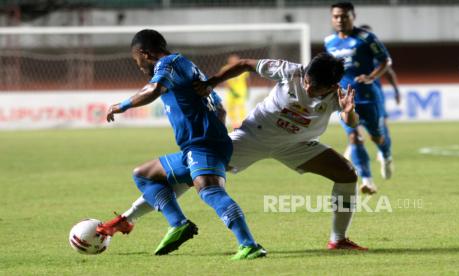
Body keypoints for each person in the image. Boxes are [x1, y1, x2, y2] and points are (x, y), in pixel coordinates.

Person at [99, 52, 368, 251]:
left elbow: (350, 123)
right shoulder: (290, 71)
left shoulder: (337, 96)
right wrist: (213, 81)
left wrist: (349, 112)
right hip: (252, 137)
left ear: (331, 87)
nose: (308, 88)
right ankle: (126, 218)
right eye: (307, 81)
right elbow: (244, 65)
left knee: (346, 174)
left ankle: (338, 239)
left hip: (297, 146)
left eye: (315, 88)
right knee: (195, 176)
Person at [98, 29, 266, 260]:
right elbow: (220, 110)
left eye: (137, 61)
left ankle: (249, 245)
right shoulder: (187, 66)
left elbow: (154, 90)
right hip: (201, 145)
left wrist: (121, 105)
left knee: (210, 190)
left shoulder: (169, 63)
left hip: (202, 144)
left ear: (144, 53)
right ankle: (178, 224)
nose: (139, 67)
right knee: (144, 175)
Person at [324, 2, 393, 194]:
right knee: (354, 137)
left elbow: (386, 60)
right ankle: (368, 181)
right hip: (345, 100)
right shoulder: (329, 41)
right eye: (336, 16)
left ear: (353, 16)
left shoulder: (366, 38)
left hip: (368, 96)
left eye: (344, 16)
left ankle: (386, 155)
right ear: (332, 18)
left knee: (377, 137)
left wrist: (371, 77)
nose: (340, 20)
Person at [343, 24, 401, 172]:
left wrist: (396, 90)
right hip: (354, 94)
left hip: (374, 95)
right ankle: (354, 148)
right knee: (354, 126)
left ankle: (384, 152)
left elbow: (389, 72)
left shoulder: (375, 56)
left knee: (381, 125)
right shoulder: (351, 54)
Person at [223, 54, 250, 128]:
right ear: (229, 61)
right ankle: (234, 123)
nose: (234, 62)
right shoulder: (225, 69)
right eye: (232, 61)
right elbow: (224, 81)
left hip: (241, 91)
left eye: (235, 60)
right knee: (230, 107)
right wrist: (230, 90)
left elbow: (247, 80)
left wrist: (248, 90)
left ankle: (242, 122)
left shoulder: (243, 69)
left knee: (240, 107)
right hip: (231, 92)